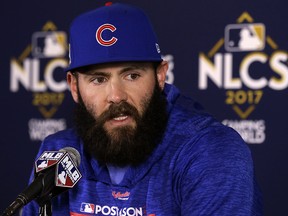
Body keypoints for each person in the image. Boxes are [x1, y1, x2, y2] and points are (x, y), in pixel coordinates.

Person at [22, 2, 262, 215]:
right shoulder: (59, 153)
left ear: (160, 76)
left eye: (132, 75)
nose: (116, 96)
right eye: (98, 80)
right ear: (74, 87)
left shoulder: (210, 151)